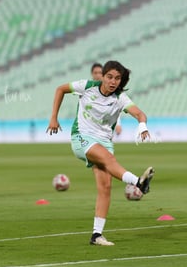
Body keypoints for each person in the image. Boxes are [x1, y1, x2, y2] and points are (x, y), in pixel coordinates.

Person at [47, 60, 154, 246]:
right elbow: (60, 89)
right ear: (102, 76)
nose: (113, 82)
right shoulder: (87, 86)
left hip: (104, 141)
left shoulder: (120, 98)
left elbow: (139, 114)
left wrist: (142, 126)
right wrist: (54, 117)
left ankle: (97, 235)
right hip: (81, 137)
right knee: (108, 159)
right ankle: (138, 182)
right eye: (110, 77)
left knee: (105, 187)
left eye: (117, 78)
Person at [91, 62, 123, 136]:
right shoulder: (86, 90)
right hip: (90, 129)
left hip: (105, 129)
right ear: (92, 74)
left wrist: (118, 124)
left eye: (100, 73)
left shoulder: (110, 90)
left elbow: (116, 108)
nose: (97, 75)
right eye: (95, 73)